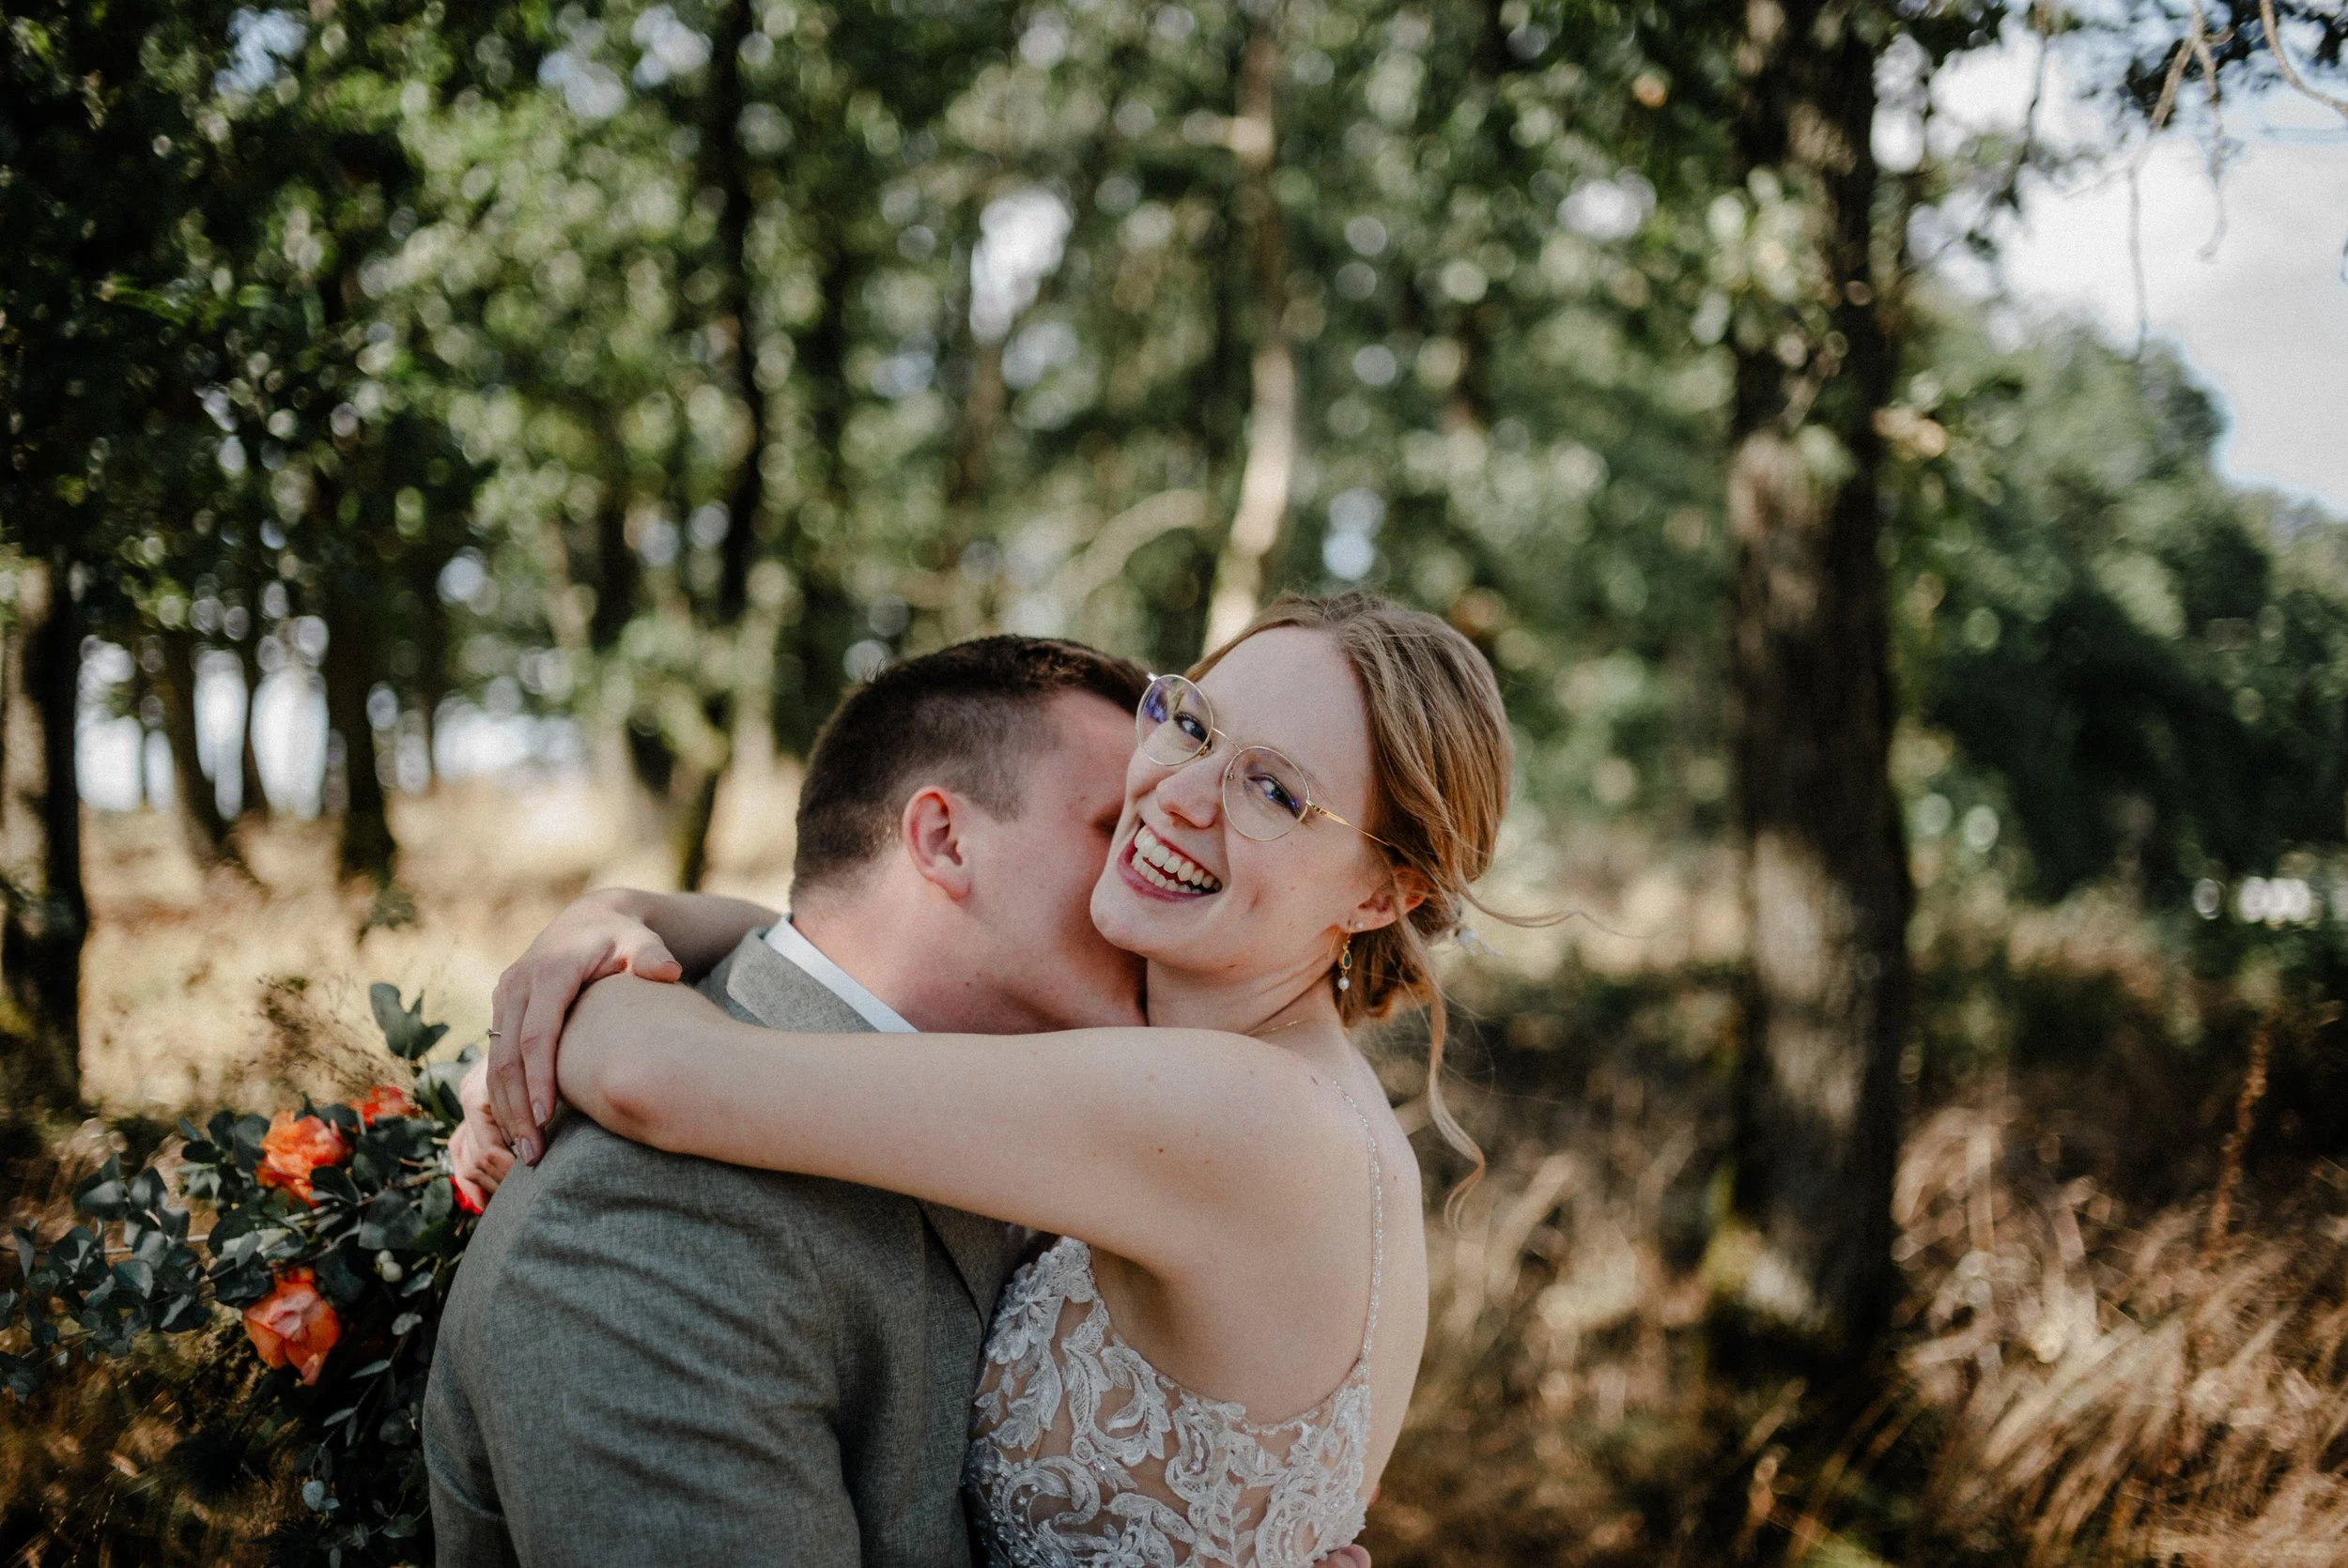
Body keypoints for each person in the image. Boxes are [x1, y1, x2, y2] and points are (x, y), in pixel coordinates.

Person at [447, 592, 1510, 1568]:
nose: (1173, 798)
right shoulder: (1228, 1092)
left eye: (1273, 788)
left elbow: (655, 1073)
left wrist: (563, 987)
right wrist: (638, 917)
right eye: (1188, 724)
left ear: (1383, 893)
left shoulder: (1232, 1111)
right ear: (939, 839)